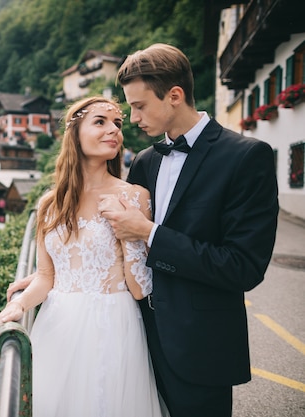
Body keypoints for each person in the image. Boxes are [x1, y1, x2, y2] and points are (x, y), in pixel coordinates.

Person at [98, 43, 279, 417]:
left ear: (175, 96)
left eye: (139, 105)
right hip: (138, 344)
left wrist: (150, 234)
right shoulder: (146, 163)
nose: (132, 119)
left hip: (201, 349)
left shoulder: (247, 158)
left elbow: (242, 266)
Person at [0, 96, 167, 417]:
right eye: (100, 121)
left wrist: (127, 230)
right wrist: (18, 304)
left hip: (115, 324)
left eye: (117, 123)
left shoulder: (134, 196)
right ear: (75, 134)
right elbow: (47, 277)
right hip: (58, 326)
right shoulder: (50, 203)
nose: (113, 130)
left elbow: (141, 288)